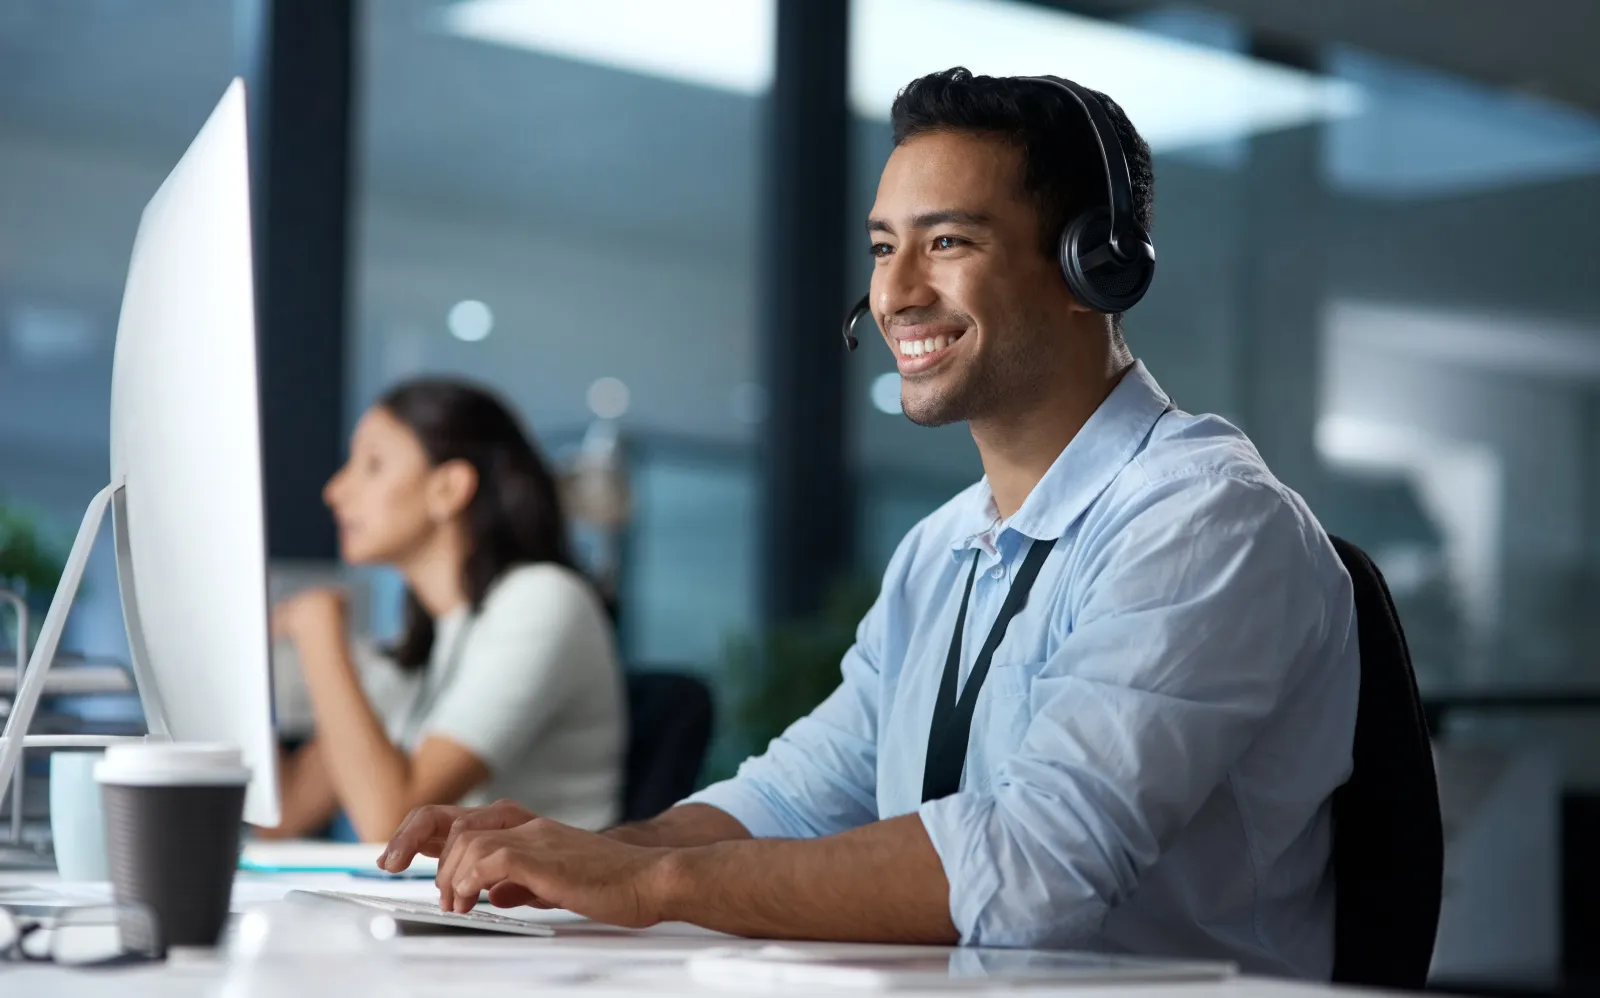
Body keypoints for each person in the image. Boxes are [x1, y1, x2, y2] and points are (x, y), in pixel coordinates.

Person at [379, 68, 1358, 979]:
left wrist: (648, 886)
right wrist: (582, 853)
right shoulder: (943, 550)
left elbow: (1028, 869)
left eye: (947, 241)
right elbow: (792, 796)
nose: (894, 294)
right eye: (884, 247)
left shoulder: (1203, 519)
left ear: (1087, 265)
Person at [262, 378, 625, 842]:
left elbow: (391, 822)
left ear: (448, 488)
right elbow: (286, 813)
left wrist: (319, 632)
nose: (335, 491)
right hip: (451, 903)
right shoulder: (429, 640)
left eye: (372, 465)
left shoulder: (543, 600)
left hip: (527, 908)